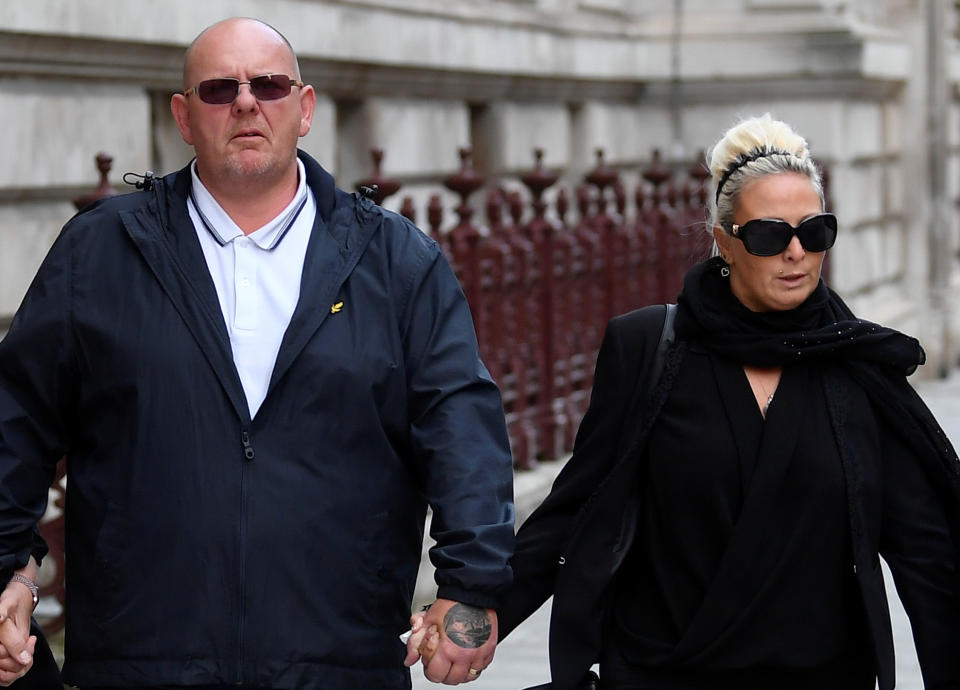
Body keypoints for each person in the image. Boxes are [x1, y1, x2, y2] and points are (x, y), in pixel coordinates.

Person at [0, 17, 514, 689]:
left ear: (304, 109)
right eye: (219, 89)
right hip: (139, 661)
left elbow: (460, 424)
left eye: (268, 85)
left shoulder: (396, 262)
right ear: (183, 117)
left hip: (338, 661)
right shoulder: (100, 253)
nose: (245, 102)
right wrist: (9, 567)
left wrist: (470, 584)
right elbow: (17, 418)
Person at [419, 114, 960, 689]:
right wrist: (476, 608)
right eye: (771, 235)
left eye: (815, 232)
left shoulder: (860, 367)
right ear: (724, 240)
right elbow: (576, 508)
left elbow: (930, 555)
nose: (796, 253)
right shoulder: (649, 349)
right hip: (666, 671)